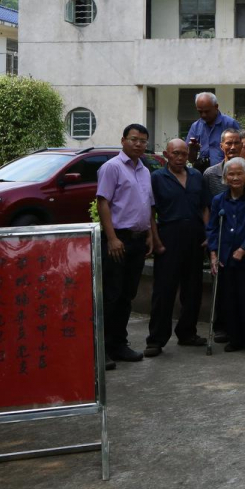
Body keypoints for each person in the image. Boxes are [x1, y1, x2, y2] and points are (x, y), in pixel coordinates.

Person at [95, 123, 155, 367]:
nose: (139, 144)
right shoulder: (112, 167)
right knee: (112, 294)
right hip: (118, 239)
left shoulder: (144, 169)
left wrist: (150, 233)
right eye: (134, 139)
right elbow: (103, 203)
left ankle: (119, 344)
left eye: (143, 140)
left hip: (138, 239)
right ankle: (102, 349)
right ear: (123, 140)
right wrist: (111, 238)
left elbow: (147, 205)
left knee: (127, 295)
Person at [145, 138, 209, 358]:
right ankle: (156, 339)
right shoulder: (157, 178)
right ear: (166, 154)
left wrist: (208, 234)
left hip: (194, 236)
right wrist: (155, 239)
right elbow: (149, 211)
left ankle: (187, 333)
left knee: (193, 289)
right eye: (175, 154)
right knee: (164, 290)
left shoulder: (196, 177)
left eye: (183, 153)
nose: (180, 158)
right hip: (168, 237)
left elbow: (204, 208)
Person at [207, 157, 245, 354]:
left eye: (239, 173)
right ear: (225, 178)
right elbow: (212, 228)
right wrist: (213, 254)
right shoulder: (218, 201)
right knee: (229, 300)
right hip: (225, 259)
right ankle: (236, 339)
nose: (235, 177)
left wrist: (243, 249)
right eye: (230, 174)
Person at [187, 92, 241, 168]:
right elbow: (191, 159)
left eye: (207, 111)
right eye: (200, 112)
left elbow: (242, 149)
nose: (203, 115)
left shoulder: (230, 124)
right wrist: (192, 149)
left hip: (226, 171)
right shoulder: (196, 126)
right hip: (203, 172)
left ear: (216, 107)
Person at [203, 129, 245, 198]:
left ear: (241, 145)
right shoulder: (210, 174)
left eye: (236, 143)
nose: (233, 147)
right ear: (221, 146)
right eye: (229, 143)